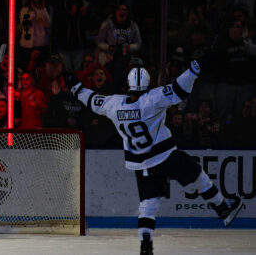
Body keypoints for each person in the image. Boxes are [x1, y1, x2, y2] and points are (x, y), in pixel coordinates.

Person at [65, 60, 244, 254]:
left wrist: (75, 87)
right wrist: (192, 71)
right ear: (148, 84)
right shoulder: (153, 98)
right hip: (164, 155)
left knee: (148, 204)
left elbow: (92, 99)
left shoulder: (114, 104)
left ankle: (145, 244)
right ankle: (222, 207)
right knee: (197, 174)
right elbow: (179, 89)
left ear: (128, 85)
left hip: (141, 163)